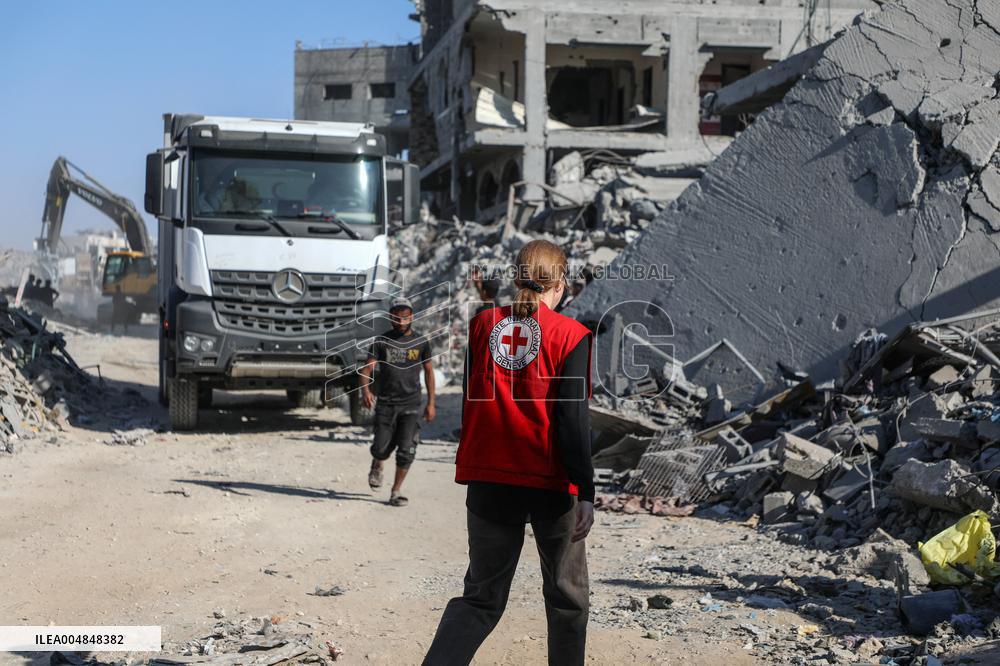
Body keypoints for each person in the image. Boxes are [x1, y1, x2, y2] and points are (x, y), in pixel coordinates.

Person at [424, 240, 595, 666]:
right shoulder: (572, 336)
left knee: (480, 598)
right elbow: (572, 422)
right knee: (566, 600)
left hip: (488, 481)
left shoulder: (483, 324)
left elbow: (470, 395)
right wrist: (587, 490)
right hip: (550, 484)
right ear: (558, 283)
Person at [359, 297, 436, 507]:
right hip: (386, 403)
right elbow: (366, 369)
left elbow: (429, 373)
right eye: (396, 318)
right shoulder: (381, 341)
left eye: (405, 317)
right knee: (381, 448)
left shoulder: (421, 342)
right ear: (390, 318)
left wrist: (431, 403)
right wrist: (365, 390)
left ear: (411, 317)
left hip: (411, 404)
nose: (401, 322)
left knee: (407, 450)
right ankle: (377, 462)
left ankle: (395, 491)